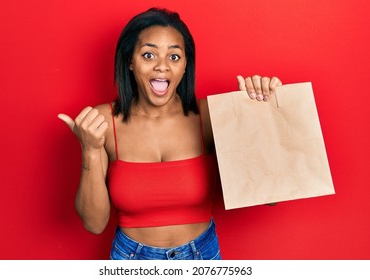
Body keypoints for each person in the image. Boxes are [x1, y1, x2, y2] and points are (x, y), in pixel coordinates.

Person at [58, 7, 282, 260]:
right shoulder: (103, 121)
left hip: (202, 257)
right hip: (131, 260)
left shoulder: (209, 116)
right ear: (130, 61)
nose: (162, 66)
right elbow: (94, 224)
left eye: (174, 57)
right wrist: (89, 150)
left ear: (186, 65)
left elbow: (270, 198)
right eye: (148, 55)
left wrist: (259, 117)